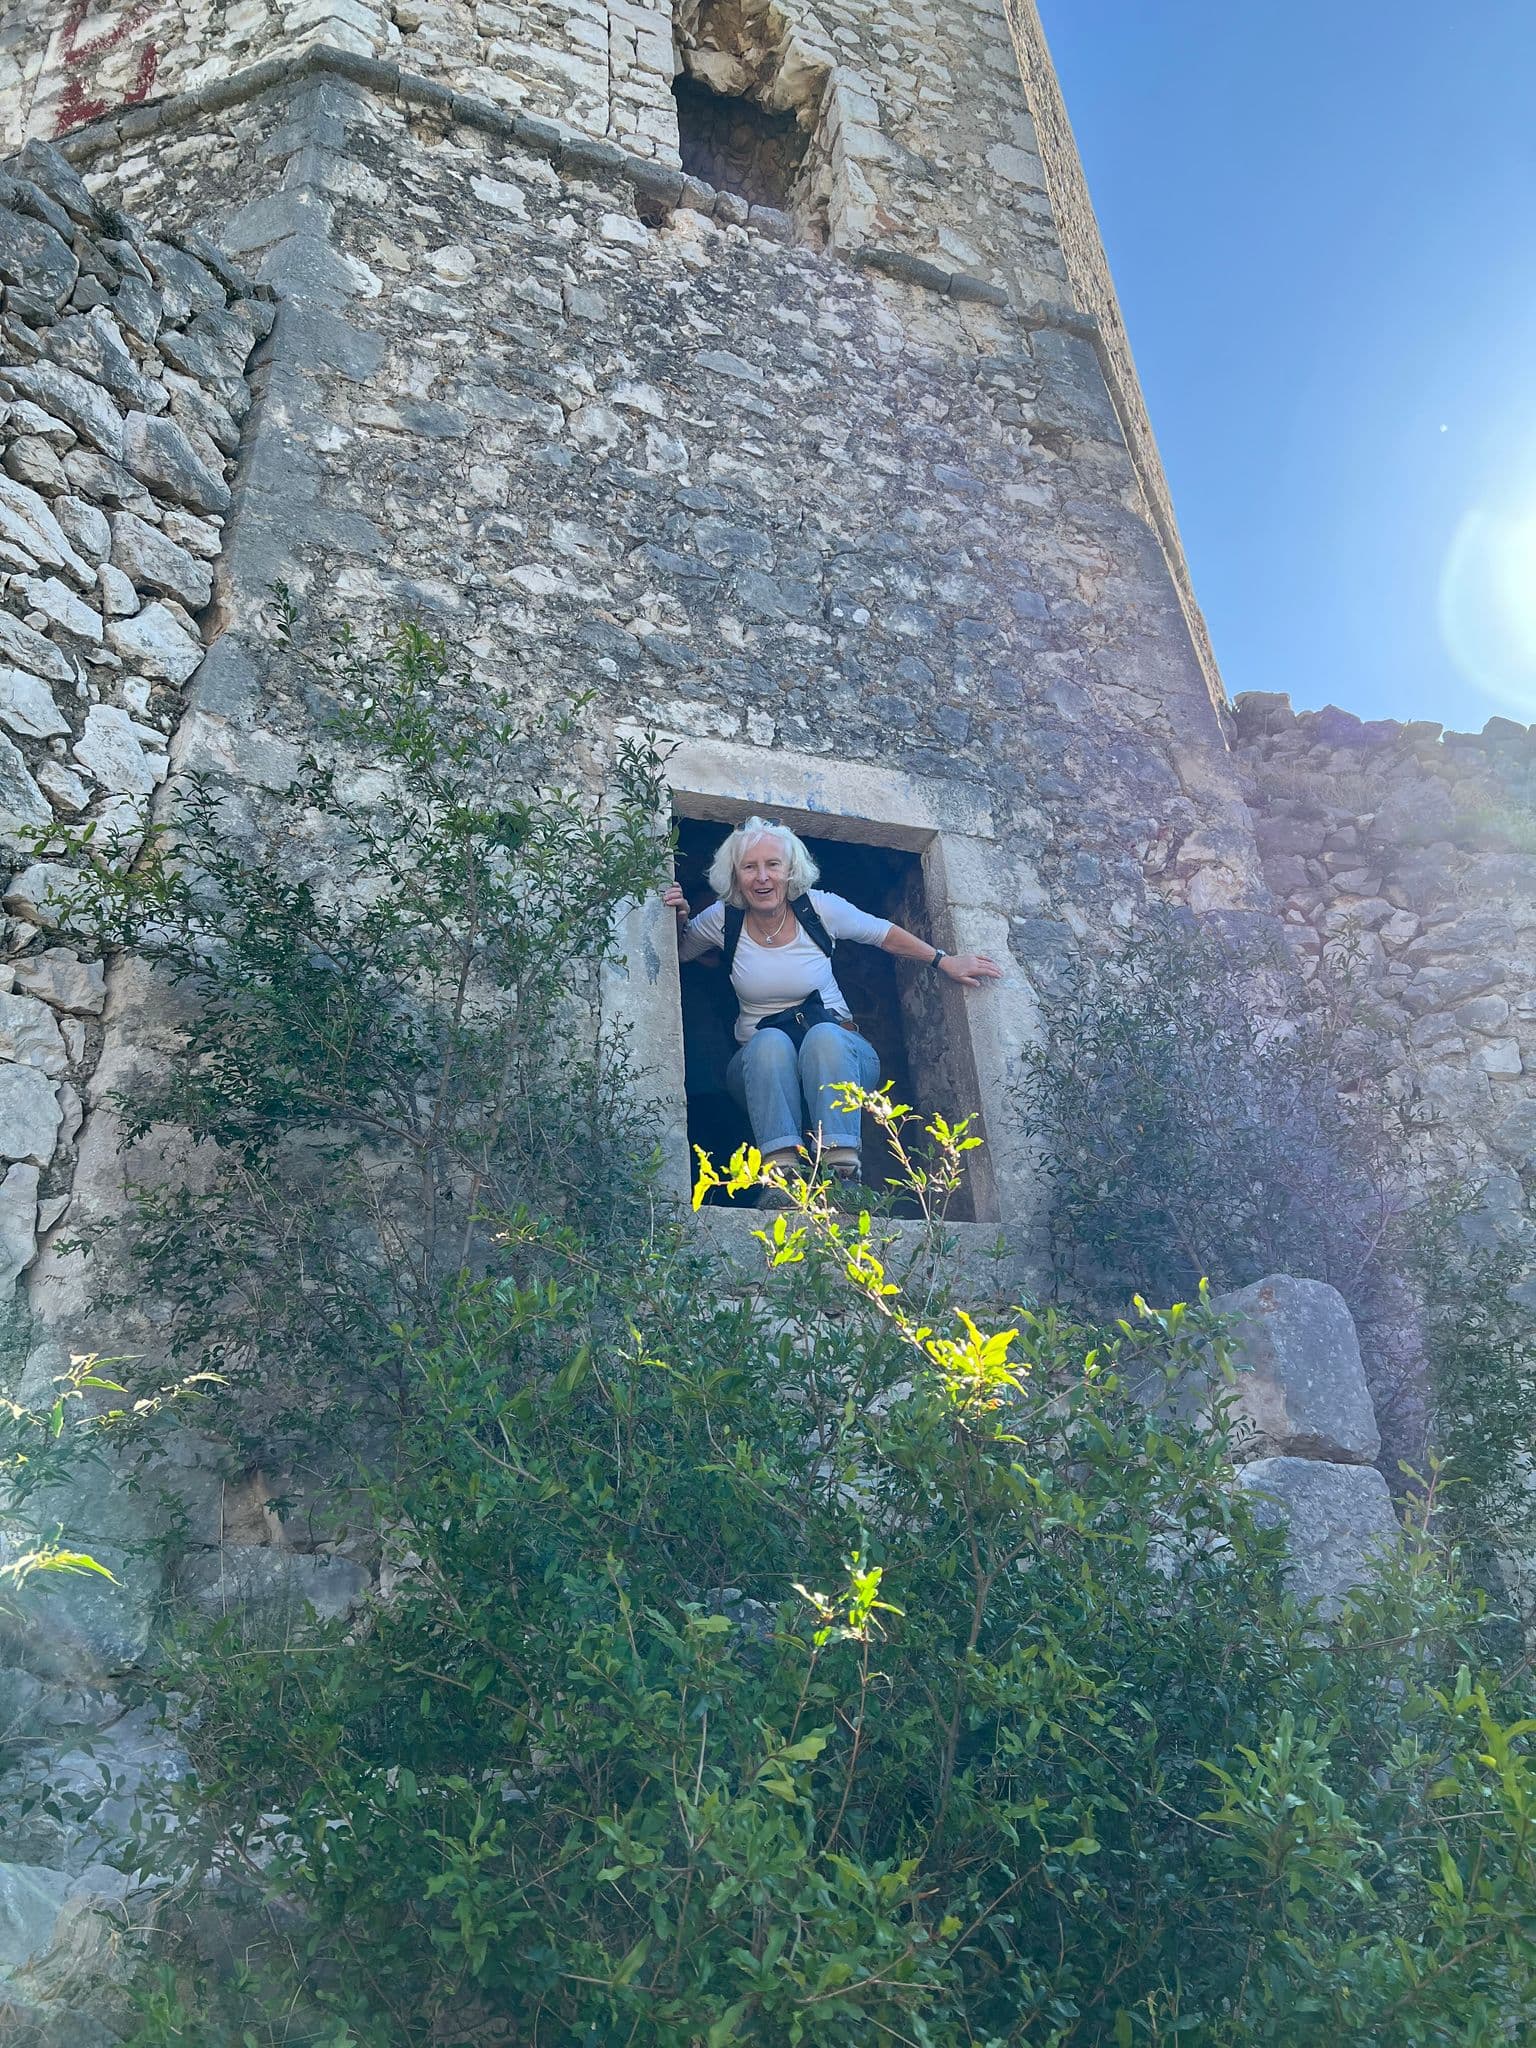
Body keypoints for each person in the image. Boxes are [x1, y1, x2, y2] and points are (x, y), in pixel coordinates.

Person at [662, 815, 1002, 1191]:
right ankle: (782, 1178)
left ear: (790, 870)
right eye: (750, 867)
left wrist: (944, 960)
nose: (763, 877)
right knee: (769, 1041)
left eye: (773, 865)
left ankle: (841, 1174)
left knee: (824, 1034)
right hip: (759, 1073)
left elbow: (883, 934)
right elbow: (680, 953)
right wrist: (677, 918)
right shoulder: (722, 919)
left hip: (841, 1059)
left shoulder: (819, 909)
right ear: (735, 876)